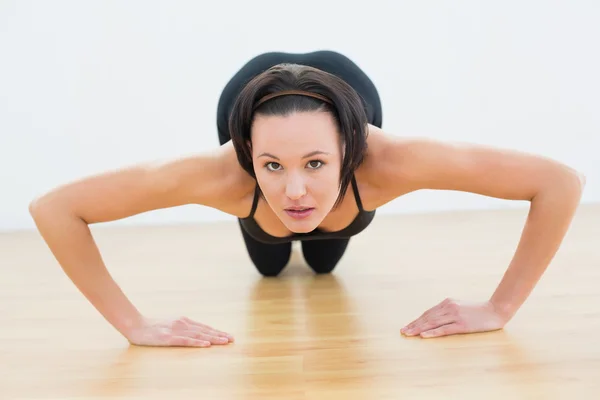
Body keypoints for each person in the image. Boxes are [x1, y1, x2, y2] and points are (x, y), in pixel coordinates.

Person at [28, 50, 586, 347]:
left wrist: (499, 308)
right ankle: (271, 186)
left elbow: (558, 182)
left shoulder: (391, 161)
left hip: (347, 92)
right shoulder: (220, 177)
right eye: (272, 166)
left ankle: (312, 181)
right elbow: (55, 209)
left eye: (316, 165)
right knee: (270, 262)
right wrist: (132, 325)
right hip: (250, 106)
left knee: (323, 260)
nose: (294, 191)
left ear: (351, 150)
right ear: (246, 153)